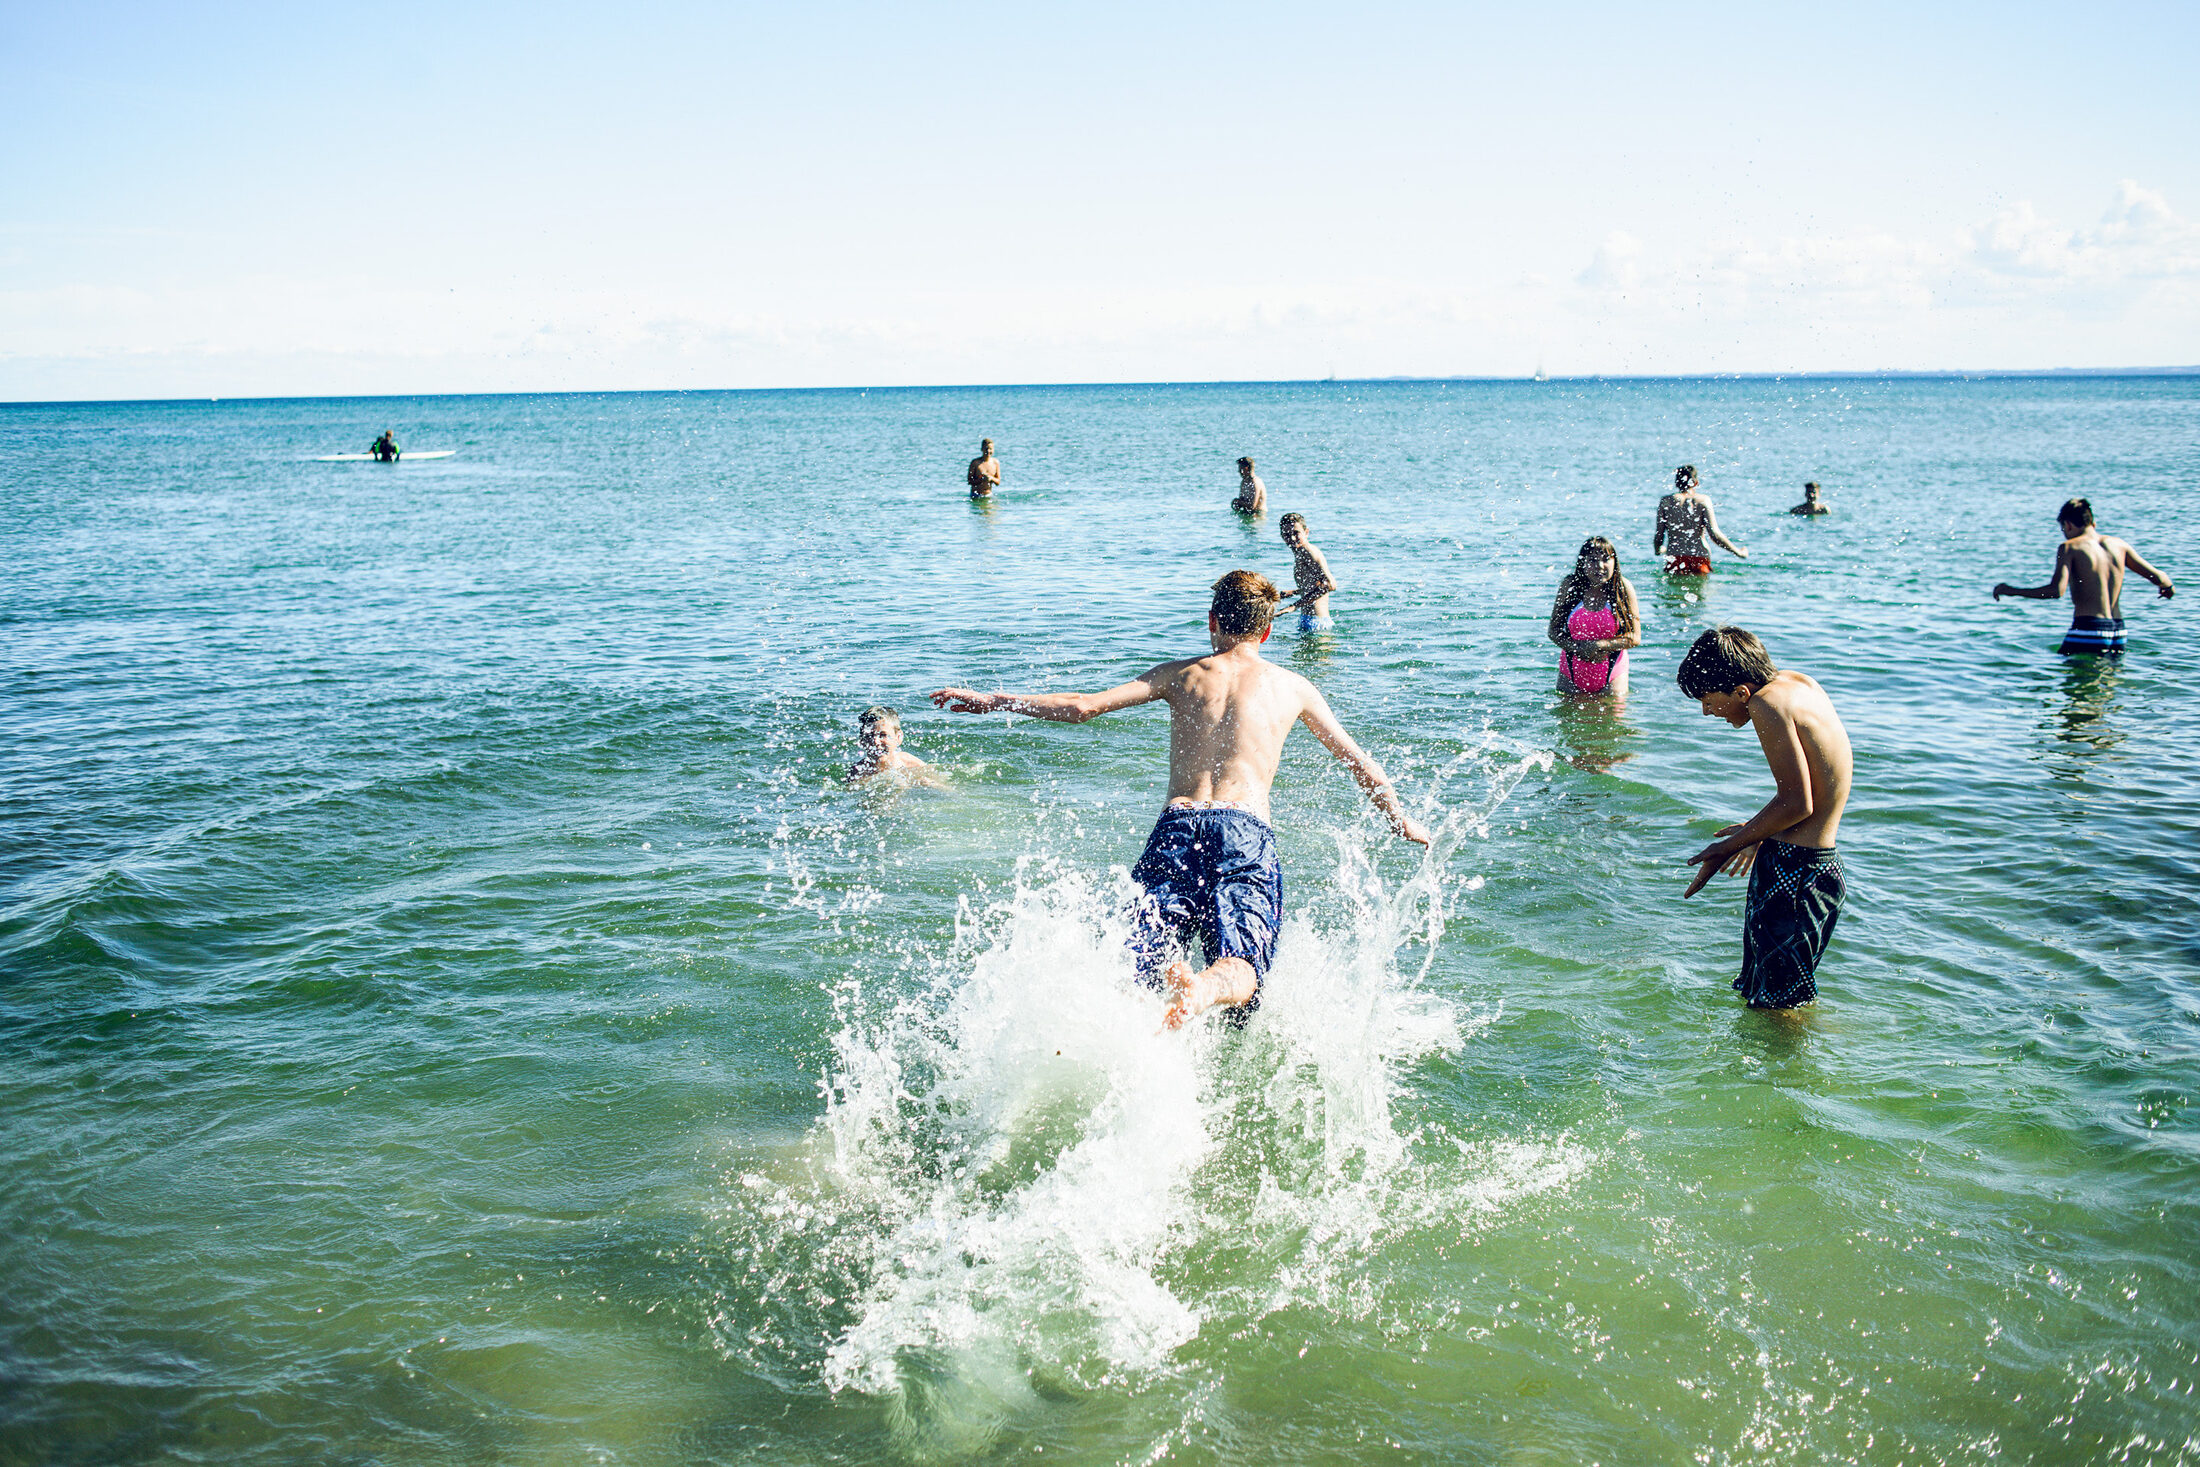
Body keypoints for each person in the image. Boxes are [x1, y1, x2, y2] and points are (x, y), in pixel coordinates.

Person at [930, 570, 1431, 1029]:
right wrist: (1400, 819)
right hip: (1245, 832)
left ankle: (1171, 985)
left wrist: (996, 701)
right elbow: (1361, 763)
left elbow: (1083, 707)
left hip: (1179, 825)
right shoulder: (1293, 686)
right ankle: (1209, 986)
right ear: (1268, 631)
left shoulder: (1179, 674)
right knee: (1243, 965)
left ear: (1212, 621)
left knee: (1145, 956)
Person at [1677, 627, 1853, 1011]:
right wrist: (1760, 834)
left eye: (1707, 700)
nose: (1707, 711)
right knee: (1776, 999)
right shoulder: (1798, 684)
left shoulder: (1766, 705)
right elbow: (1819, 792)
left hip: (1794, 878)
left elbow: (1797, 802)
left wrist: (1725, 847)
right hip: (1816, 870)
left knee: (1776, 1010)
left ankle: (1797, 1071)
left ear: (1741, 691)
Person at [1991, 497, 2174, 656]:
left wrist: (2010, 590)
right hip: (2118, 631)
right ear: (2092, 523)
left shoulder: (2070, 547)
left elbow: (2056, 591)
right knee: (2106, 690)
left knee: (2072, 689)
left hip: (2088, 629)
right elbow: (2160, 578)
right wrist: (2167, 588)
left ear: (2068, 524)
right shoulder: (2119, 545)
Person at [1546, 536, 1641, 697]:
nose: (1600, 566)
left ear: (1614, 562)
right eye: (1592, 560)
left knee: (1612, 721)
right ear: (1582, 563)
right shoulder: (1570, 585)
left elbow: (1634, 637)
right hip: (1571, 669)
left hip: (1612, 672)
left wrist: (1600, 645)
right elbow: (1553, 631)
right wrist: (1577, 648)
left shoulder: (1622, 588)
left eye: (1606, 559)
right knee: (1567, 720)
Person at [1654, 465, 1747, 575]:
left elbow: (1659, 534)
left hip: (1675, 558)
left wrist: (1658, 549)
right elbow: (1714, 534)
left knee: (1674, 591)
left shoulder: (1666, 501)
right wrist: (1738, 552)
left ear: (1676, 482)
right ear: (1696, 482)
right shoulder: (1703, 501)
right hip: (1700, 558)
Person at [846, 706, 945, 787]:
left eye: (883, 735)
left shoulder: (908, 762)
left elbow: (941, 782)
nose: (876, 742)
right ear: (862, 740)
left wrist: (929, 783)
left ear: (898, 737)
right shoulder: (859, 771)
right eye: (869, 736)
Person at [1279, 513, 1338, 632]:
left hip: (1317, 623)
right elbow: (1316, 585)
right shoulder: (1300, 552)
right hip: (1309, 620)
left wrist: (1293, 606)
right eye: (1286, 534)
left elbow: (1331, 585)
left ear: (1306, 532)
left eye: (1296, 533)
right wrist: (1295, 592)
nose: (1292, 538)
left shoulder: (1308, 552)